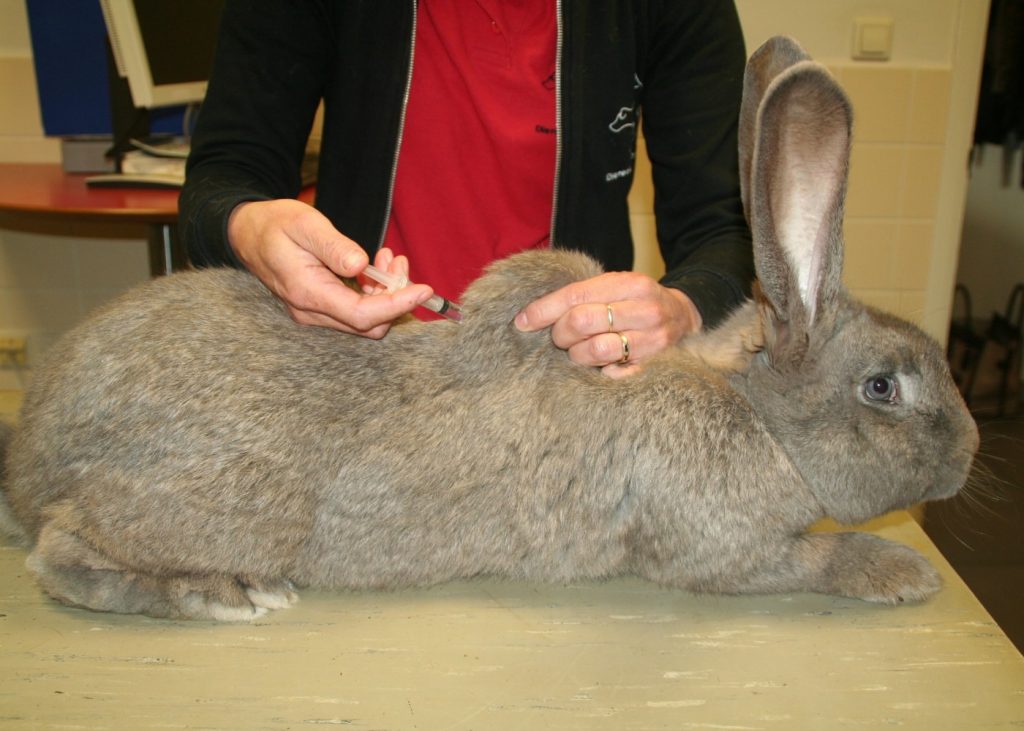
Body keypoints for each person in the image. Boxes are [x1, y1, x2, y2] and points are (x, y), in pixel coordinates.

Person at [180, 0, 754, 377]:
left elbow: (722, 226)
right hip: (356, 374)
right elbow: (225, 175)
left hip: (570, 385)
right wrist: (246, 226)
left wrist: (683, 307)